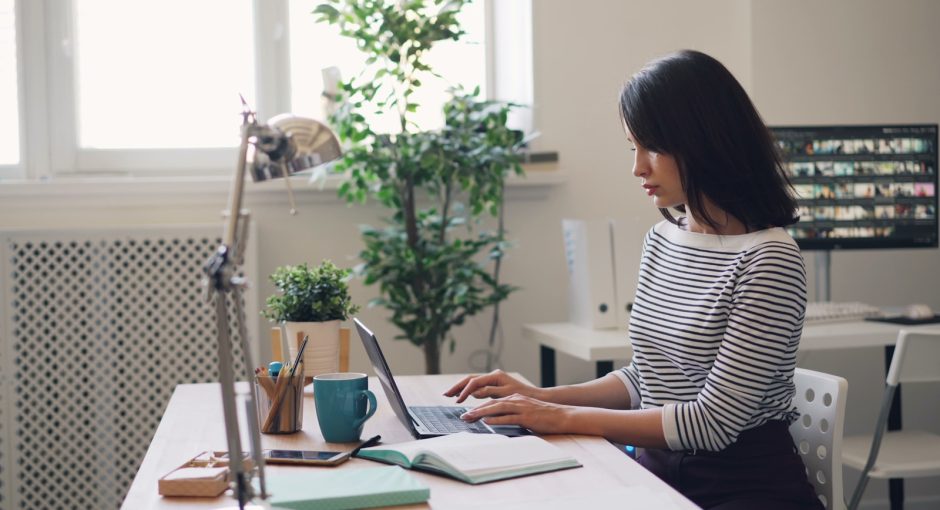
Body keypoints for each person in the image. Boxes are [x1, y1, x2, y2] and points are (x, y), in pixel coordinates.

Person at [445, 49, 823, 510]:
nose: (638, 167)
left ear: (707, 141)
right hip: (658, 472)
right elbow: (648, 377)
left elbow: (713, 424)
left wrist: (559, 416)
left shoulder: (769, 259)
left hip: (740, 488)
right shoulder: (663, 239)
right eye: (633, 147)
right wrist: (536, 396)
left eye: (654, 148)